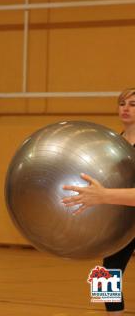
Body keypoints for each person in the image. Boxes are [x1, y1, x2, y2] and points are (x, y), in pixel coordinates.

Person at [62, 88, 135, 315]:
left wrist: (104, 195)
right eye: (122, 103)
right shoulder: (114, 143)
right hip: (122, 220)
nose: (125, 108)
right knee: (104, 276)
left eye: (133, 104)